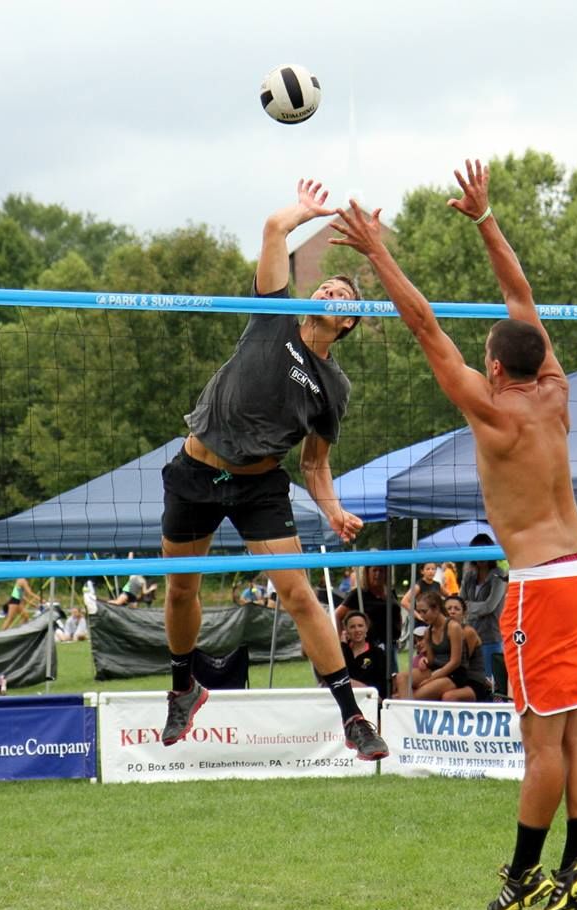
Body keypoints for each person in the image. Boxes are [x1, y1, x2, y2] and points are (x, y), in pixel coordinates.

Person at [332, 159, 577, 910]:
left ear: (494, 367)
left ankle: (527, 875)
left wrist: (375, 253)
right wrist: (487, 220)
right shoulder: (553, 390)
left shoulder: (491, 411)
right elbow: (520, 300)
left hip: (548, 586)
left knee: (543, 746)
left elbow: (425, 324)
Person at [158, 177, 387, 762]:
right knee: (183, 589)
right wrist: (305, 212)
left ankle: (352, 717)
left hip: (259, 484)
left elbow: (315, 464)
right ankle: (184, 686)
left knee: (299, 594)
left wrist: (332, 509)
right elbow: (273, 229)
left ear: (349, 324)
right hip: (196, 469)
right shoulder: (274, 313)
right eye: (328, 285)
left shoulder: (333, 387)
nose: (331, 293)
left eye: (343, 297)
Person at [460, 533, 508, 683]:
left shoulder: (499, 576)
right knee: (471, 678)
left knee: (490, 680)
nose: (481, 556)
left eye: (484, 550)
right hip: (469, 634)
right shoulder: (469, 576)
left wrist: (468, 607)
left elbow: (489, 606)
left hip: (490, 636)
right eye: (477, 551)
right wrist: (468, 607)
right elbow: (461, 602)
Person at [334, 563, 403, 654]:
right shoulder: (358, 594)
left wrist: (399, 630)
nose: (377, 574)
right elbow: (337, 615)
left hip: (391, 644)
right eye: (374, 570)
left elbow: (397, 612)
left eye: (381, 570)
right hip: (370, 646)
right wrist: (342, 640)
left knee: (392, 668)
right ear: (367, 573)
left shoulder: (390, 592)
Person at [443, 593, 492, 703]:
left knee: (448, 696)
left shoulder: (468, 632)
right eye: (449, 608)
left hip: (472, 680)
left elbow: (460, 664)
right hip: (451, 677)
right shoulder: (440, 632)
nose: (452, 611)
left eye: (457, 609)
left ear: (464, 614)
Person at [340, 611, 388, 700]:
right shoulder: (343, 651)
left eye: (360, 626)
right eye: (352, 627)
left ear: (366, 628)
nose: (357, 630)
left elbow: (381, 682)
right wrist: (343, 645)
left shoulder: (377, 653)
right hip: (346, 698)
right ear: (346, 630)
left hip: (370, 698)